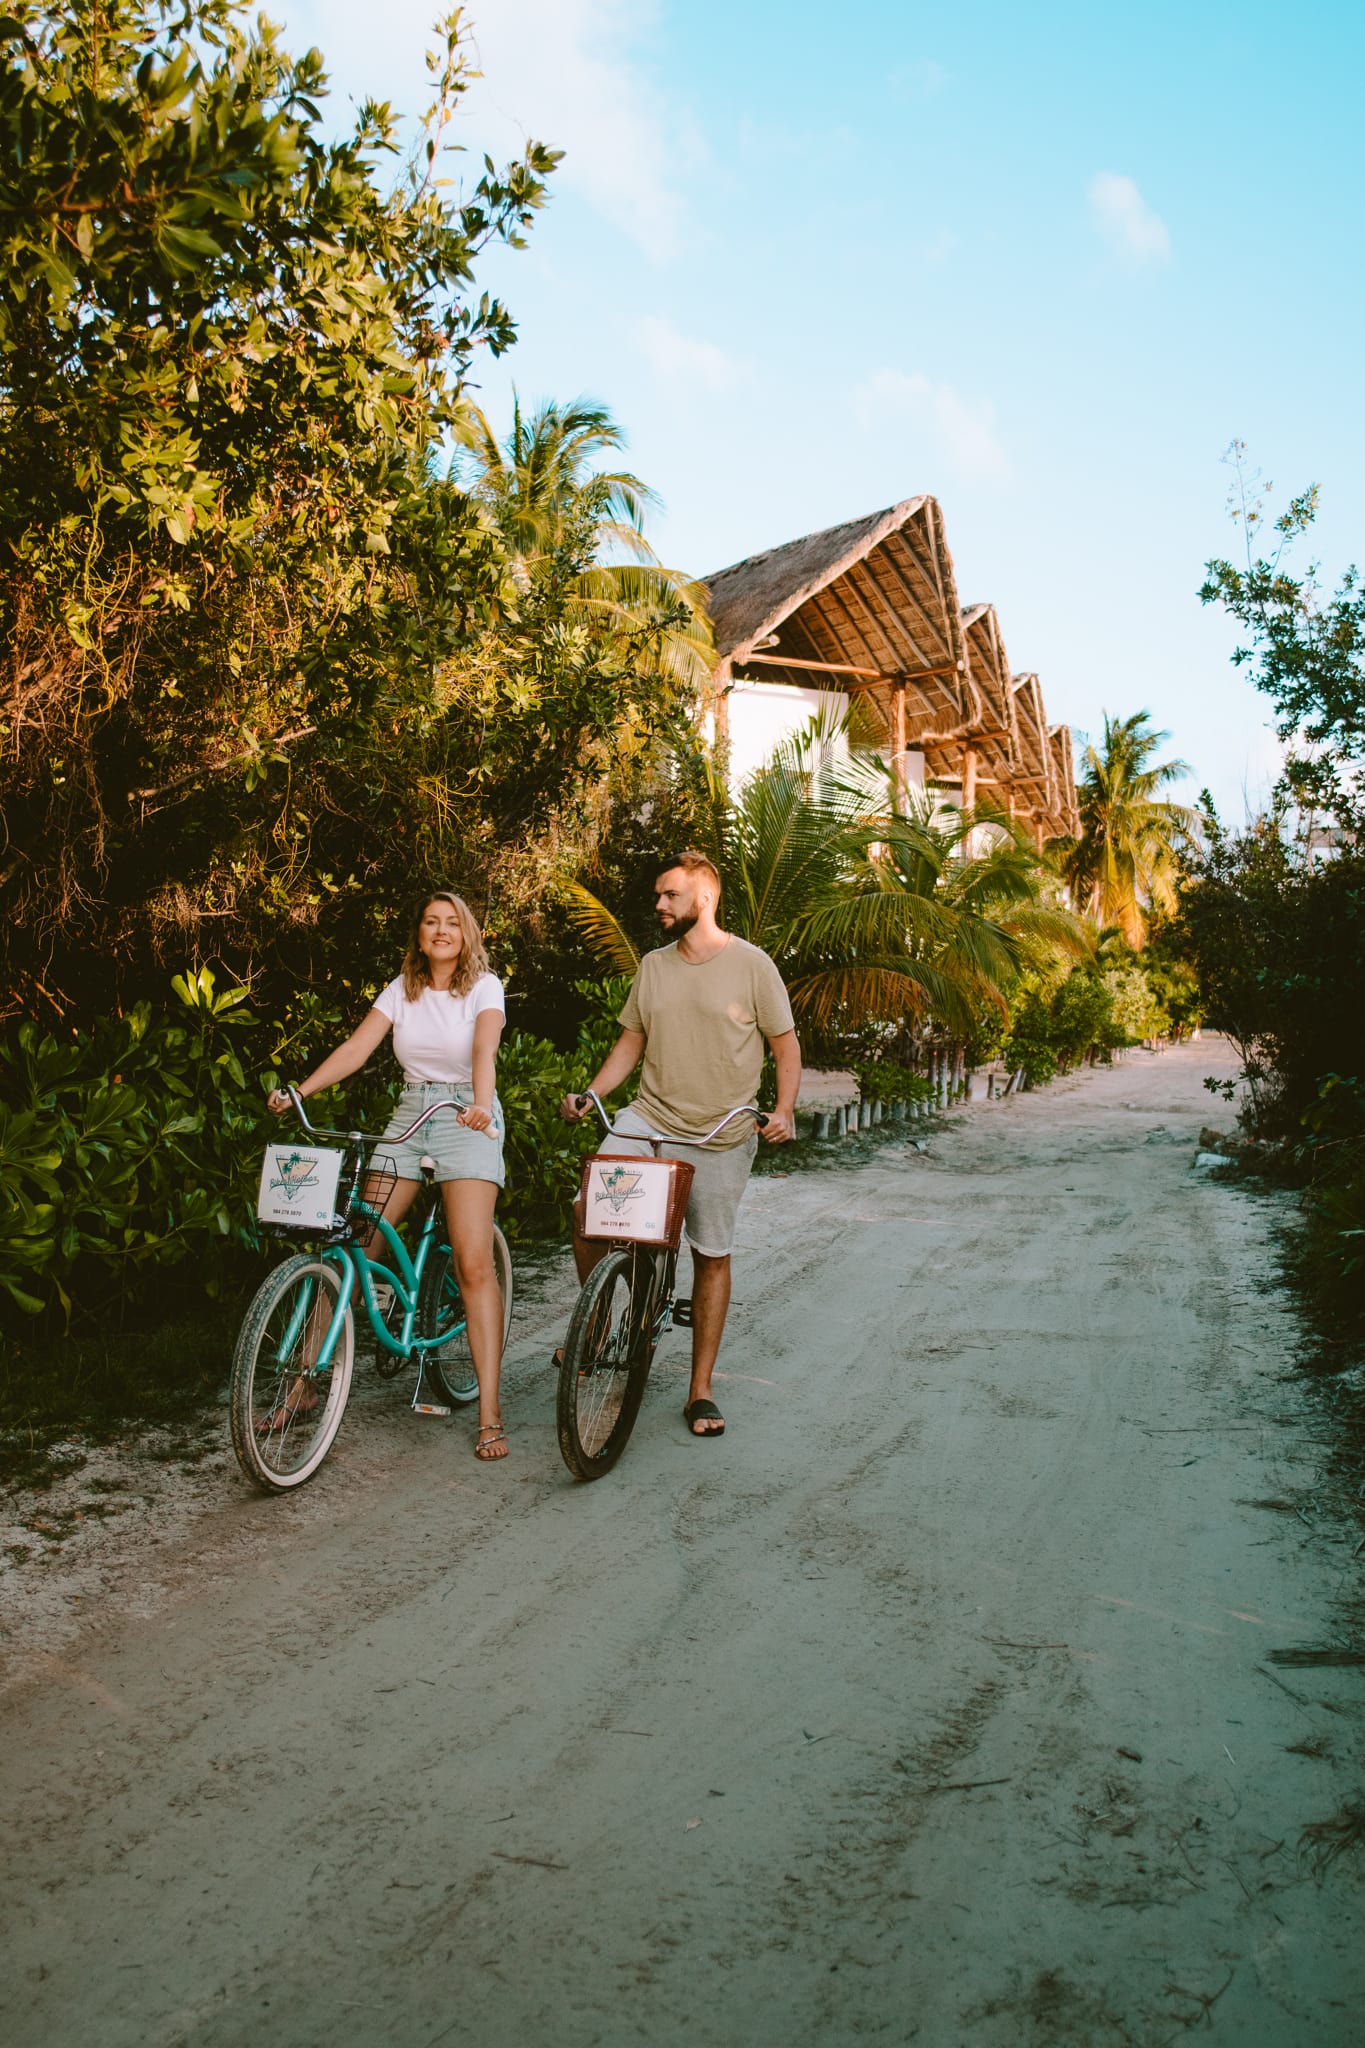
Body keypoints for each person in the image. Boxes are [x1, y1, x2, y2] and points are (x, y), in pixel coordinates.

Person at [560, 850, 800, 1437]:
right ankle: (595, 1322)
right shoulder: (654, 966)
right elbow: (628, 1046)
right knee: (587, 1211)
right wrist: (592, 1094)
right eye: (659, 895)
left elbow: (786, 1048)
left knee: (710, 1255)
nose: (659, 904)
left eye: (670, 895)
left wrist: (785, 1110)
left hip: (721, 1133)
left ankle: (699, 1390)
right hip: (649, 1119)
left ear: (704, 898)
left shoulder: (753, 966)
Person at [268, 891, 511, 1461]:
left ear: (467, 933)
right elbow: (357, 1047)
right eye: (431, 921)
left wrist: (480, 1104)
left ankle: (490, 1412)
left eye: (453, 923)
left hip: (465, 1117)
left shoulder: (485, 986)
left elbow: (485, 1050)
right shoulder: (401, 988)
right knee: (355, 1241)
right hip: (411, 1112)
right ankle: (305, 1385)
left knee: (474, 1263)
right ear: (419, 933)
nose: (442, 930)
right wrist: (300, 1092)